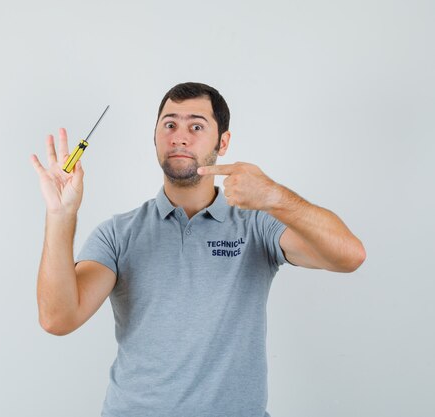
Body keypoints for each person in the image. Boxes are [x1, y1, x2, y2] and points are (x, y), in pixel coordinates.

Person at [30, 82, 366, 417]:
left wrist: (275, 197)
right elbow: (58, 318)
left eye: (196, 126)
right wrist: (60, 215)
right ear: (155, 137)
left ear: (224, 142)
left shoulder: (256, 225)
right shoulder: (118, 233)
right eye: (169, 124)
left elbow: (349, 255)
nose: (179, 136)